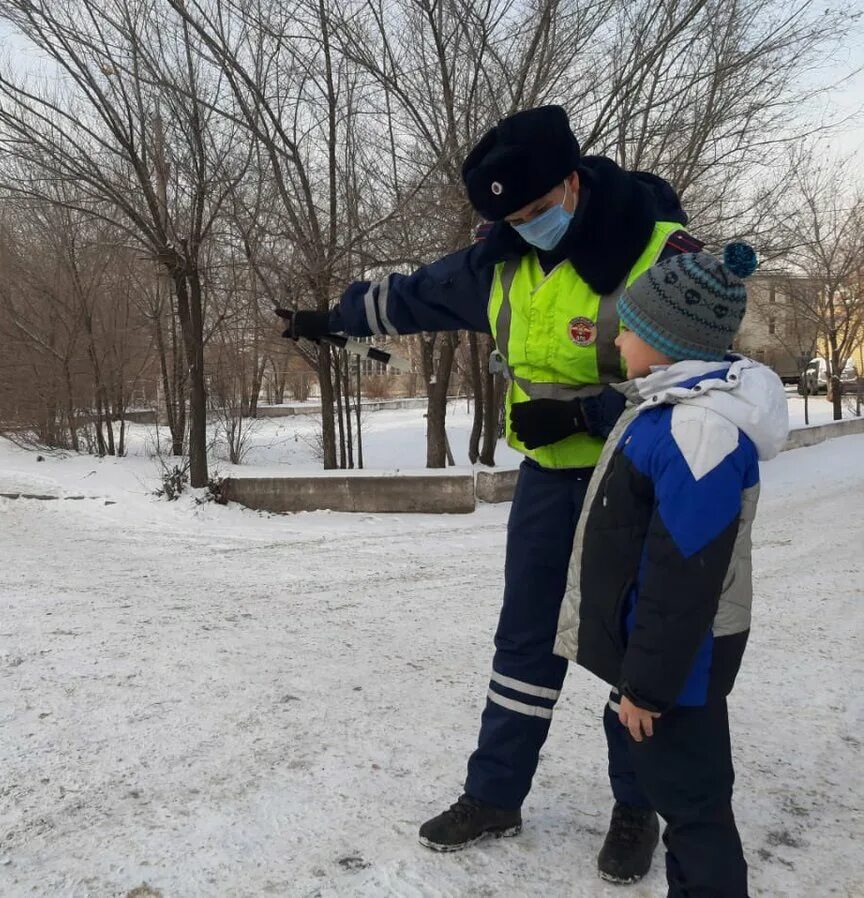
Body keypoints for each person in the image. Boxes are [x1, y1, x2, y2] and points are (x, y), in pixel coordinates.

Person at [280, 105, 706, 883]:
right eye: (513, 215)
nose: (527, 224)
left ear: (573, 181)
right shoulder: (503, 256)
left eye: (538, 209)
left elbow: (697, 383)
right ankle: (495, 795)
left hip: (636, 479)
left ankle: (634, 808)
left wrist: (586, 410)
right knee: (525, 642)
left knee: (624, 650)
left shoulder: (657, 253)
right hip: (548, 479)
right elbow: (415, 295)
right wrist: (329, 320)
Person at [555, 244, 788, 896]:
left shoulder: (699, 431)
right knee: (683, 798)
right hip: (667, 665)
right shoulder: (667, 410)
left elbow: (683, 580)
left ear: (667, 340)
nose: (619, 337)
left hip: (678, 671)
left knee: (693, 812)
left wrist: (650, 687)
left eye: (630, 327)